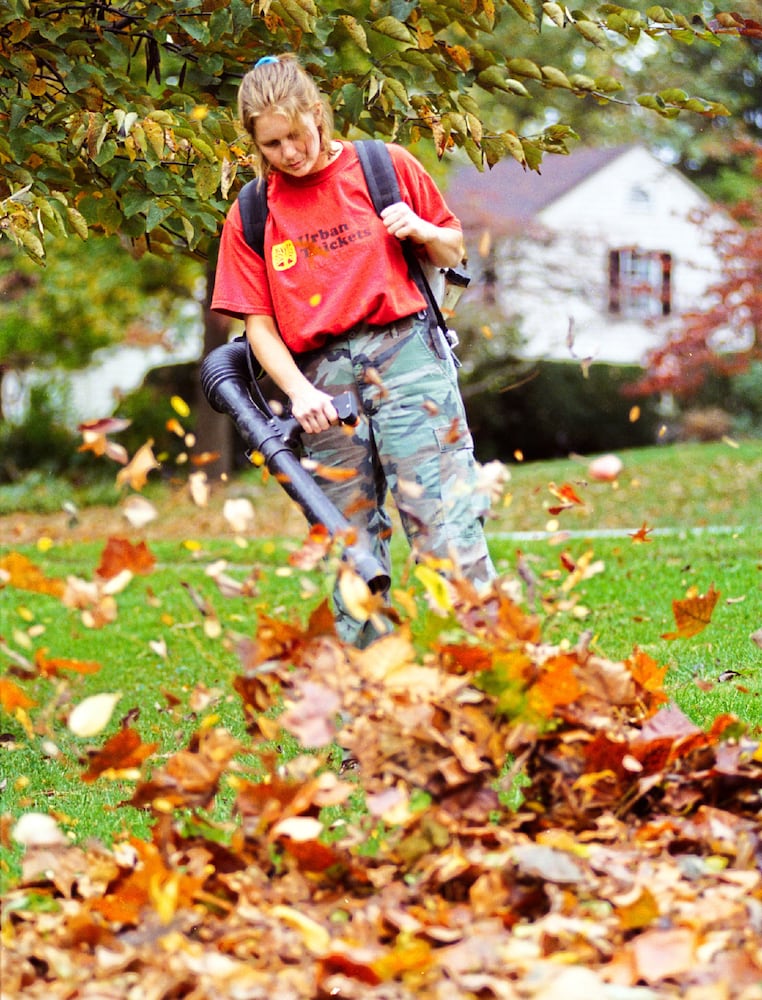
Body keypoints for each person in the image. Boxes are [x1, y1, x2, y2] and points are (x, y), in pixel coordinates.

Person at [211, 53, 495, 645]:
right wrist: (298, 393)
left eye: (296, 134)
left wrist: (423, 232)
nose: (288, 152)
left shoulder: (382, 165)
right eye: (271, 144)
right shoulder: (252, 213)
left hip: (409, 364)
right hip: (320, 387)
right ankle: (375, 723)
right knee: (353, 554)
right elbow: (258, 326)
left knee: (447, 532)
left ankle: (492, 691)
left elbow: (454, 248)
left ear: (318, 113)